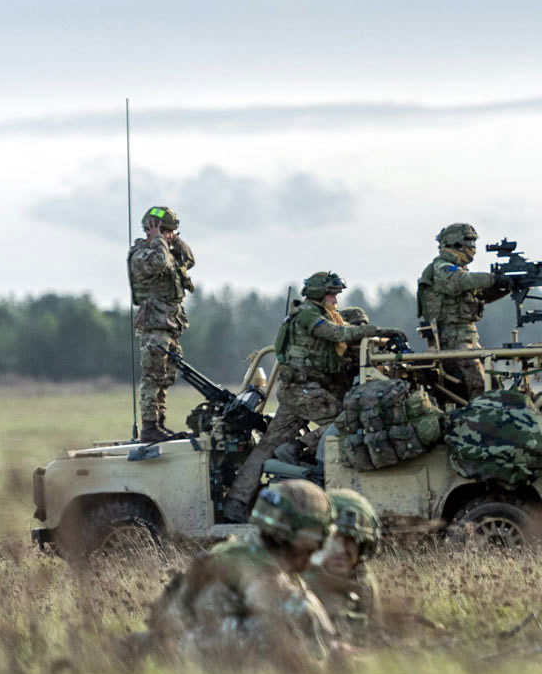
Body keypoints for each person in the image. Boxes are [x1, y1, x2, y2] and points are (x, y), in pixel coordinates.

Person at [221, 272, 404, 523]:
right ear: (318, 294)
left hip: (301, 390)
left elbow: (342, 332)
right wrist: (379, 331)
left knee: (266, 448)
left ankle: (237, 503)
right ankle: (294, 449)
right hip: (303, 390)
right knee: (347, 419)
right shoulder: (308, 314)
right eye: (331, 294)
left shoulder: (322, 314)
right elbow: (338, 334)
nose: (335, 299)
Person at [141, 479, 338, 666]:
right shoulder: (290, 599)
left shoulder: (220, 556)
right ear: (301, 537)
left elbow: (164, 627)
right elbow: (319, 665)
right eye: (317, 536)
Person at [417, 223, 510, 400]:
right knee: (479, 388)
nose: (472, 248)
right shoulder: (442, 268)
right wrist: (493, 279)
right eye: (469, 242)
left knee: (493, 385)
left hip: (468, 341)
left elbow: (481, 295)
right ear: (455, 244)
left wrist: (507, 285)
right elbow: (462, 281)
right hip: (453, 342)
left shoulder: (459, 271)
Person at [127, 205, 196, 442]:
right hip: (153, 324)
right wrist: (158, 239)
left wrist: (172, 240)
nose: (170, 236)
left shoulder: (167, 249)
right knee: (152, 376)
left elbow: (189, 258)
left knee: (164, 376)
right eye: (165, 230)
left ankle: (159, 425)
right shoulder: (141, 254)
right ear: (151, 229)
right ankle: (149, 427)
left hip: (168, 324)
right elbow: (158, 263)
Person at [303, 488, 382, 625]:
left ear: (363, 546)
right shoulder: (298, 581)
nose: (342, 549)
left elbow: (375, 634)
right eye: (334, 539)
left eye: (351, 540)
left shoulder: (364, 584)